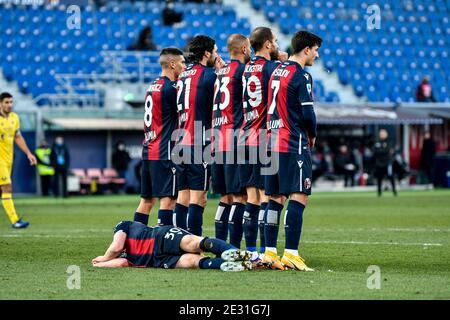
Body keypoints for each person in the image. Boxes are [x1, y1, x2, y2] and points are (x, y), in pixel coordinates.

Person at [263, 30, 322, 271]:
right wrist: (313, 134)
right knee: (299, 195)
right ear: (306, 49)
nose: (317, 56)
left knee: (275, 199)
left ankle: (268, 253)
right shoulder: (301, 75)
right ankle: (291, 253)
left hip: (271, 142)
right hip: (292, 142)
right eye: (316, 50)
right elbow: (308, 114)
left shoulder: (277, 70)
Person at [239, 27, 288, 259]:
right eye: (275, 41)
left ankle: (250, 251)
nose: (277, 44)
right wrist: (285, 62)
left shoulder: (246, 68)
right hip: (264, 137)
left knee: (252, 196)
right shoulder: (273, 69)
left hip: (245, 135)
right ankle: (266, 252)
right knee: (268, 196)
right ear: (268, 44)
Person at [172, 35, 224, 236]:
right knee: (199, 198)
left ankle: (179, 242)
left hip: (180, 139)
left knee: (182, 197)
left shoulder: (183, 74)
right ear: (207, 53)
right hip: (197, 141)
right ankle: (193, 245)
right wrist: (221, 73)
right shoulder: (208, 75)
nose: (217, 55)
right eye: (216, 51)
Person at [132, 48, 185, 227]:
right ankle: (165, 247)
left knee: (146, 201)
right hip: (164, 151)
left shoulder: (152, 86)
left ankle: (135, 242)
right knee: (169, 200)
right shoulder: (171, 89)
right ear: (172, 64)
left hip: (148, 150)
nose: (184, 67)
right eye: (182, 63)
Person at [211, 34, 251, 245]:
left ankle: (220, 246)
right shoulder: (243, 71)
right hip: (234, 138)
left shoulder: (221, 72)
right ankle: (234, 248)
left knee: (225, 197)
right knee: (240, 197)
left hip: (217, 139)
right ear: (245, 49)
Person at [92, 220, 252, 271]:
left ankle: (239, 255)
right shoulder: (125, 258)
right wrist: (101, 264)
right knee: (193, 260)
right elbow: (121, 262)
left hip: (159, 238)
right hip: (157, 260)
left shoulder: (122, 225)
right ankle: (240, 262)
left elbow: (117, 247)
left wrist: (103, 259)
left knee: (194, 245)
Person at [0, 92, 37, 228]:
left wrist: (28, 153)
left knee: (2, 190)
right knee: (7, 187)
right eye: (6, 102)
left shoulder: (15, 118)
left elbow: (18, 137)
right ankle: (15, 221)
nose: (9, 105)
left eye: (11, 102)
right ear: (0, 103)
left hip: (9, 159)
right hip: (0, 161)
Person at [373, 129, 397, 197]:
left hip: (387, 163)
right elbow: (375, 152)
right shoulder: (377, 142)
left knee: (391, 177)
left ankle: (394, 191)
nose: (382, 135)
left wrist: (383, 150)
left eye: (383, 133)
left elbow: (389, 150)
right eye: (381, 133)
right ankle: (379, 192)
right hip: (379, 163)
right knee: (379, 178)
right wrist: (384, 150)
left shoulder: (389, 142)